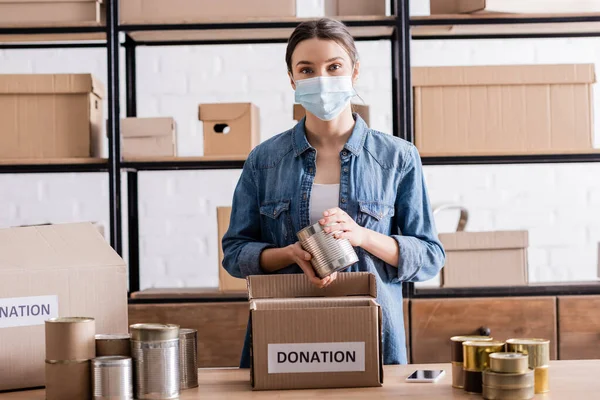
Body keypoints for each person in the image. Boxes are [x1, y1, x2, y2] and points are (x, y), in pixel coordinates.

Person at [222, 18, 445, 368]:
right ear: (293, 79)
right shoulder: (264, 160)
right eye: (307, 69)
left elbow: (430, 257)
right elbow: (235, 254)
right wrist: (289, 254)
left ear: (354, 72)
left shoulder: (397, 158)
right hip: (285, 335)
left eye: (334, 66)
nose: (321, 80)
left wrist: (363, 236)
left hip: (372, 334)